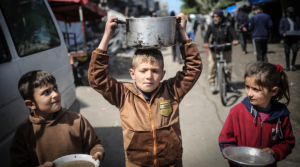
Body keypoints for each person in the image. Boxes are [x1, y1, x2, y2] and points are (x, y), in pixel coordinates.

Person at [88, 13, 202, 167]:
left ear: (163, 74)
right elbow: (97, 78)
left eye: (155, 71)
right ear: (132, 74)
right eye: (143, 71)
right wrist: (107, 36)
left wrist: (182, 32)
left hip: (172, 163)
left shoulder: (172, 90)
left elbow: (193, 69)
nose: (149, 76)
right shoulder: (123, 94)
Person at [10, 70, 105, 167]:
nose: (55, 94)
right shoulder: (24, 134)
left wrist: (97, 153)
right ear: (31, 104)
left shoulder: (76, 120)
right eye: (46, 92)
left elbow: (94, 144)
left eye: (55, 88)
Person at [219, 62, 295, 167]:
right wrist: (234, 157)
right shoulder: (236, 112)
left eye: (256, 89)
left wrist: (274, 152)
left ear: (273, 91)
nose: (249, 93)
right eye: (247, 87)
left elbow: (288, 143)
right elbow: (225, 141)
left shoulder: (281, 115)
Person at [203, 9, 239, 93]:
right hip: (214, 49)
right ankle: (212, 83)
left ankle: (228, 84)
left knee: (228, 67)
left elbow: (234, 34)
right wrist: (205, 43)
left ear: (221, 17)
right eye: (214, 17)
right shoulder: (212, 25)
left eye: (217, 16)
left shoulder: (228, 25)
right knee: (212, 66)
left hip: (226, 48)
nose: (215, 18)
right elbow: (207, 35)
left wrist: (235, 40)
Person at [279, 7, 300, 71]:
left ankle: (292, 64)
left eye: (292, 12)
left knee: (295, 51)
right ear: (287, 13)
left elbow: (299, 27)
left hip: (295, 38)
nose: (291, 14)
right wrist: (283, 33)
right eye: (290, 13)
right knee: (287, 52)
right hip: (287, 39)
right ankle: (287, 66)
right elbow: (280, 28)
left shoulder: (297, 19)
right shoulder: (283, 19)